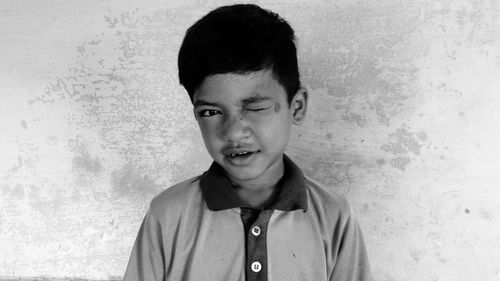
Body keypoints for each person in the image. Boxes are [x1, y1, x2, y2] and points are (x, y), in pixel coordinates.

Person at [123, 4, 372, 281]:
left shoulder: (333, 215)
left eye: (254, 108)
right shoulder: (168, 215)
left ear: (297, 107)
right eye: (211, 112)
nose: (233, 132)